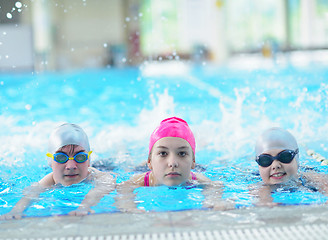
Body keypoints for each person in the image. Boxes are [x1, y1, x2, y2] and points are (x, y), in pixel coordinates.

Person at [0, 123, 115, 220]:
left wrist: (85, 206)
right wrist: (16, 211)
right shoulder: (49, 180)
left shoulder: (95, 175)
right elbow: (30, 194)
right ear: (50, 162)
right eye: (61, 157)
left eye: (80, 157)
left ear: (89, 160)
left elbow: (105, 186)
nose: (71, 166)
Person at [115, 117, 231, 212]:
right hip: (140, 168)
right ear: (149, 162)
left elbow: (214, 185)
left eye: (181, 153)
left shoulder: (196, 178)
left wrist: (213, 200)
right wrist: (128, 205)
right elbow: (124, 187)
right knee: (126, 162)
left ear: (193, 162)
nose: (173, 163)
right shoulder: (142, 179)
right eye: (163, 153)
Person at [251, 127, 328, 206]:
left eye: (285, 156)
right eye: (265, 160)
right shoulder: (258, 187)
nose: (276, 165)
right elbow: (262, 203)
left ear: (297, 159)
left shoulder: (310, 177)